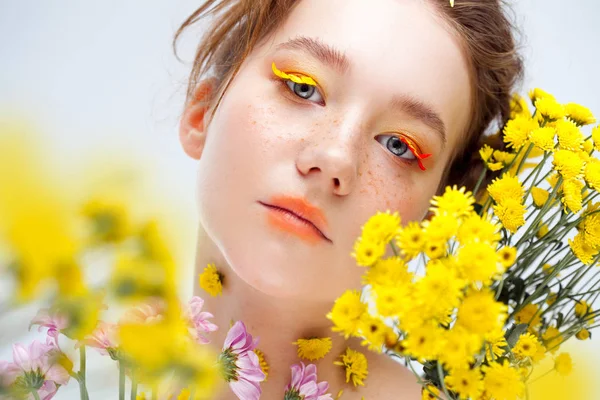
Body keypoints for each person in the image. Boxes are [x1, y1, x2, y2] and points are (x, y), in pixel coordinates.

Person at [174, 0, 523, 398]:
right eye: (302, 87)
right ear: (201, 111)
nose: (335, 158)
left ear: (431, 220)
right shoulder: (95, 355)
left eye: (399, 145)